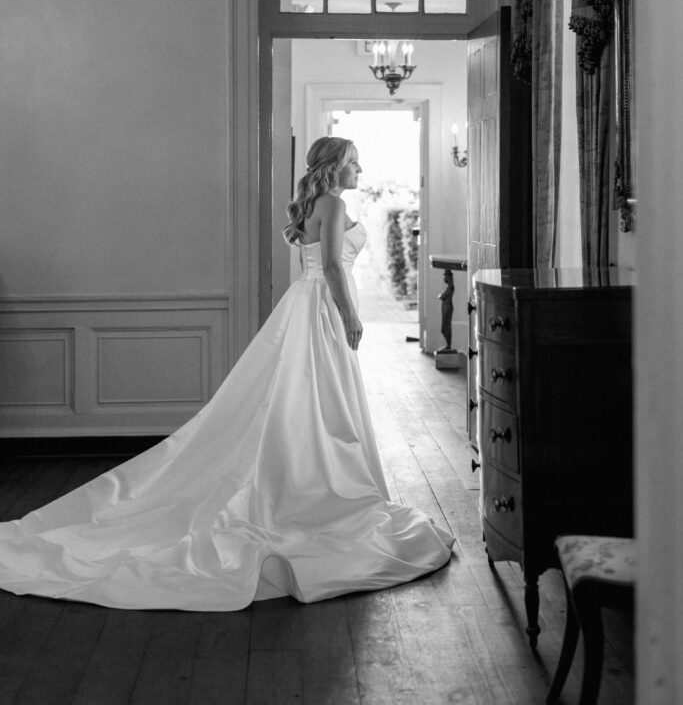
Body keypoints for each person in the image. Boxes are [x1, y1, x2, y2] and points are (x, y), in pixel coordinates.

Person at [0, 136, 453, 610]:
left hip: (306, 303)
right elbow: (335, 269)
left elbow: (316, 260)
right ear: (333, 168)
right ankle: (313, 488)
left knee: (306, 399)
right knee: (319, 398)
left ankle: (305, 477)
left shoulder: (316, 204)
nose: (360, 169)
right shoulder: (334, 205)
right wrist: (352, 317)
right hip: (323, 306)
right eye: (352, 162)